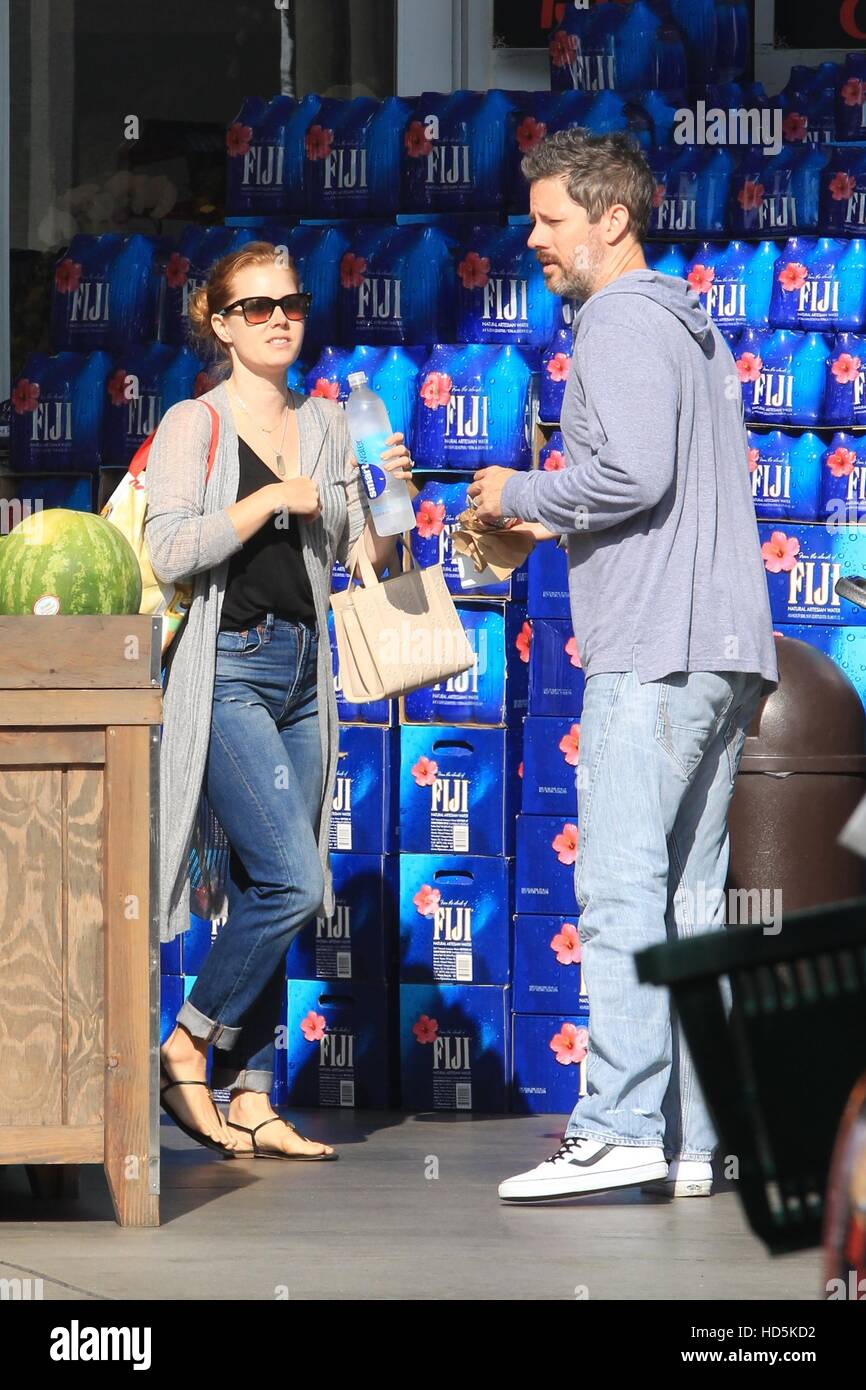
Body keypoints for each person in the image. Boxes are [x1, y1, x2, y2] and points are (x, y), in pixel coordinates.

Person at [468, 129, 779, 1202]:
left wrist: (517, 495)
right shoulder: (688, 323)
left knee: (618, 895)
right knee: (689, 902)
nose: (534, 236)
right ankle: (695, 1138)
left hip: (652, 650)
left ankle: (615, 1126)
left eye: (551, 218)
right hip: (724, 648)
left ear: (612, 220)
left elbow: (628, 475)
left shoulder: (612, 319)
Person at [145, 242, 414, 1159]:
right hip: (228, 668)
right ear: (220, 324)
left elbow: (357, 558)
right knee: (299, 881)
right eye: (255, 308)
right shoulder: (196, 423)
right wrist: (267, 504)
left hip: (307, 671)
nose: (277, 321)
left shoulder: (330, 421)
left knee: (273, 885)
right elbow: (170, 551)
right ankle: (187, 1040)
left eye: (290, 304)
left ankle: (253, 1095)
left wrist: (391, 503)